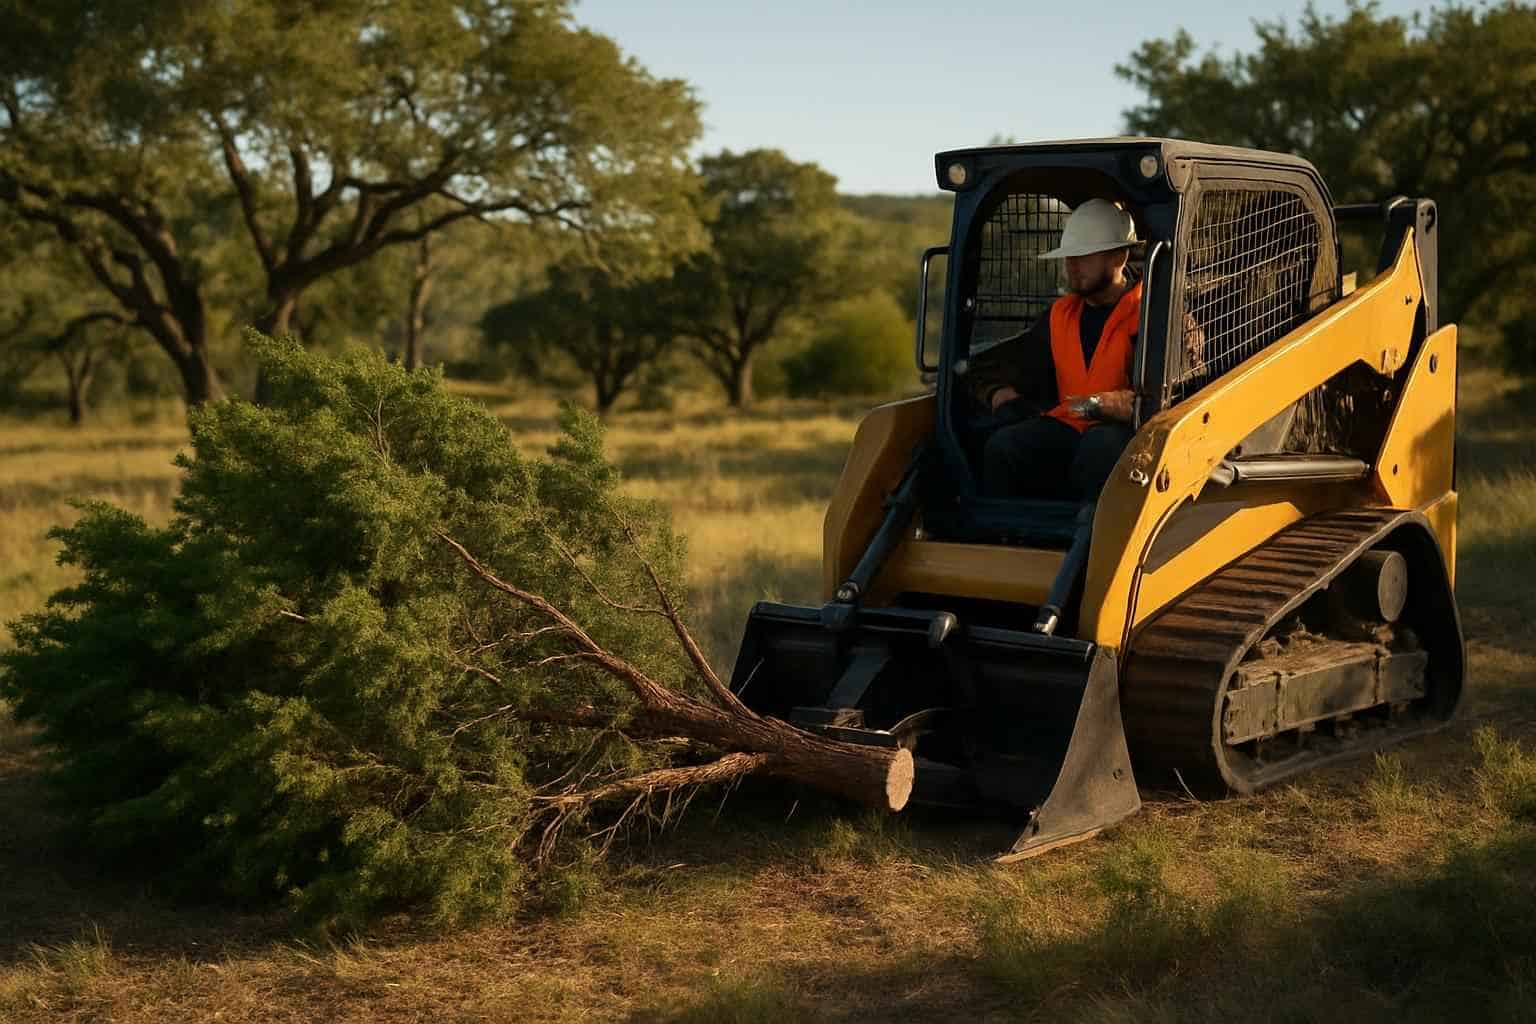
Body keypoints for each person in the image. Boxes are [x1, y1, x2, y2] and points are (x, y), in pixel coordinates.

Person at [969, 198, 1144, 501]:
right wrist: (997, 392)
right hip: (1070, 427)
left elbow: (1165, 399)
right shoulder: (1059, 316)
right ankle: (1008, 538)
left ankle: (1093, 541)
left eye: (1083, 256)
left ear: (1119, 256)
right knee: (1004, 446)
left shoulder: (1154, 312)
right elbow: (1014, 365)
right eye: (1068, 257)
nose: (1072, 266)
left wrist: (1105, 405)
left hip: (1133, 438)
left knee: (1099, 447)